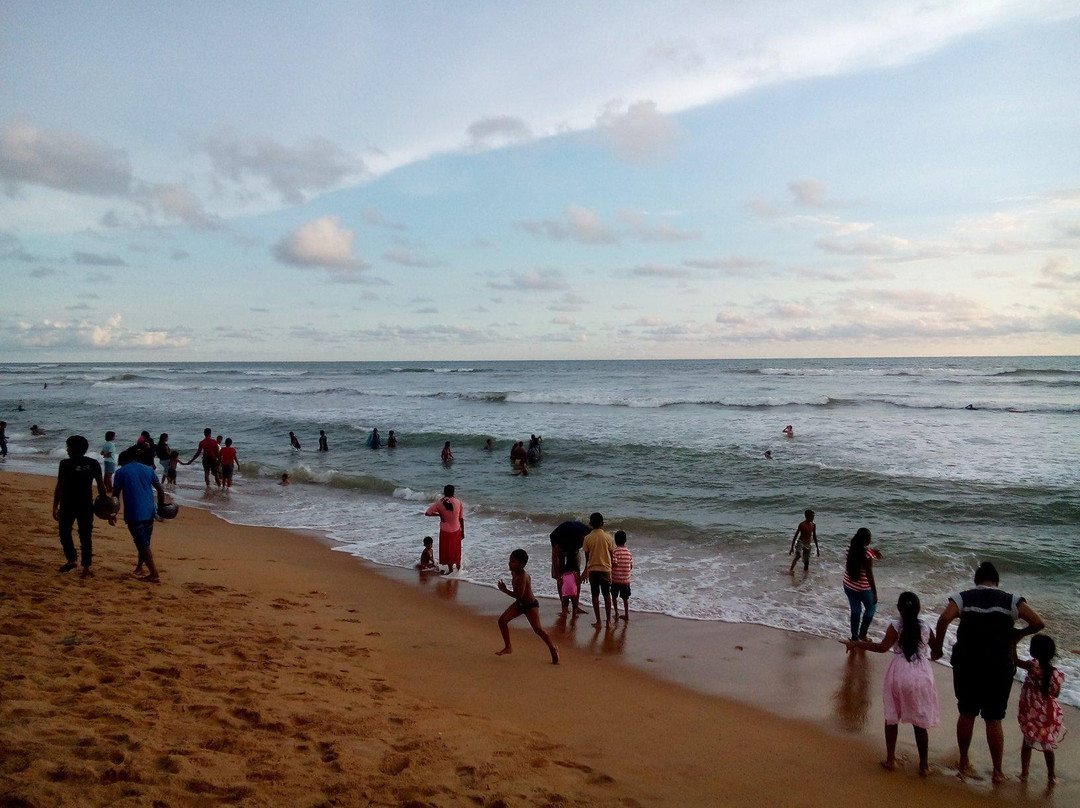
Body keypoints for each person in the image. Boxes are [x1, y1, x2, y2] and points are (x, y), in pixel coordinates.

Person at [930, 561, 1045, 783]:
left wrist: (938, 648)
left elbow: (944, 618)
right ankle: (998, 772)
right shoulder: (1011, 599)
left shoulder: (963, 597)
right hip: (999, 666)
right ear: (997, 581)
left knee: (967, 712)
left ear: (976, 581)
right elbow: (1038, 622)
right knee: (994, 718)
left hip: (967, 663)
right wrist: (1019, 633)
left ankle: (963, 761)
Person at [844, 592, 940, 776]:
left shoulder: (896, 626)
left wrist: (857, 644)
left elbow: (882, 648)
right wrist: (935, 654)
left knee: (892, 716)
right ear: (918, 608)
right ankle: (924, 765)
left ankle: (890, 760)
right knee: (920, 723)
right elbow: (937, 650)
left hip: (899, 672)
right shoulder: (926, 626)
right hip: (921, 674)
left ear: (899, 608)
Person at [111, 445, 167, 583]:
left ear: (122, 461)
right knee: (144, 542)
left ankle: (154, 574)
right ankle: (139, 567)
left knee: (142, 544)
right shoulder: (148, 469)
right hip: (149, 511)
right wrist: (160, 507)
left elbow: (115, 496)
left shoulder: (121, 472)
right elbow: (160, 491)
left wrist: (113, 513)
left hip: (134, 513)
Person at [52, 434, 106, 578]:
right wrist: (105, 504)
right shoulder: (94, 463)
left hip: (68, 504)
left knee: (64, 532)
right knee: (86, 536)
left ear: (73, 448)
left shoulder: (65, 464)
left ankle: (71, 559)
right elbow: (101, 487)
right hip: (86, 505)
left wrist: (55, 506)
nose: (67, 449)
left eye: (68, 446)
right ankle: (86, 568)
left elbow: (60, 486)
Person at [495, 549, 559, 664]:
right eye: (510, 561)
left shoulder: (523, 577)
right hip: (520, 604)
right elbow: (519, 598)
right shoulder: (514, 572)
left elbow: (519, 596)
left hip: (530, 606)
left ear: (521, 564)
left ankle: (553, 648)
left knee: (538, 630)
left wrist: (504, 590)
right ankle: (508, 646)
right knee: (502, 621)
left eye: (513, 562)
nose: (509, 564)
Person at [1017, 634, 1065, 787]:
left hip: (1032, 713)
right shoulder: (1055, 673)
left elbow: (1015, 661)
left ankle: (1024, 773)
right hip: (1047, 714)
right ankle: (1051, 776)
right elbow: (1056, 694)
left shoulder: (1032, 666)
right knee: (1047, 745)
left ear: (1034, 651)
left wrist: (1013, 641)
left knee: (1027, 741)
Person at [842, 528, 877, 641]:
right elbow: (869, 575)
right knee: (871, 609)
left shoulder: (850, 548)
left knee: (856, 611)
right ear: (866, 539)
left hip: (848, 585)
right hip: (863, 589)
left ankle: (854, 637)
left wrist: (873, 552)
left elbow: (861, 552)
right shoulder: (867, 555)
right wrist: (875, 593)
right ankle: (863, 634)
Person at [582, 512, 616, 627]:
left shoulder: (587, 538)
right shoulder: (608, 537)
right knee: (607, 595)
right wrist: (612, 567)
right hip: (605, 569)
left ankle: (598, 621)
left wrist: (586, 570)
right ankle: (609, 621)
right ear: (603, 523)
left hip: (593, 569)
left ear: (590, 524)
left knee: (595, 595)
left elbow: (587, 557)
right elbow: (612, 554)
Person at [549, 520, 589, 615]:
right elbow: (555, 555)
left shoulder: (588, 535)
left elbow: (589, 553)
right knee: (562, 578)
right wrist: (558, 574)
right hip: (561, 548)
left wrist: (586, 570)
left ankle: (576, 606)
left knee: (576, 578)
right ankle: (564, 606)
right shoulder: (557, 538)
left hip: (573, 549)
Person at [425, 484, 464, 574]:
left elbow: (427, 513)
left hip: (444, 530)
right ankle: (458, 570)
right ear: (453, 492)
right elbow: (461, 518)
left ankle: (450, 570)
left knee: (447, 550)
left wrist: (439, 514)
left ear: (444, 492)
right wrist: (463, 532)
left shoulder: (439, 502)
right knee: (456, 550)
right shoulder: (458, 502)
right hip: (456, 530)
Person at [611, 530, 634, 622]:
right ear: (625, 540)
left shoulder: (615, 552)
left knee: (614, 596)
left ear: (615, 541)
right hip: (625, 580)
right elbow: (631, 566)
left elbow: (614, 564)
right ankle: (626, 614)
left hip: (615, 579)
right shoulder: (628, 552)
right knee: (625, 598)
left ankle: (616, 612)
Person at [789, 509, 819, 573]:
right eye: (812, 516)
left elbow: (814, 536)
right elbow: (796, 535)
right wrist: (791, 547)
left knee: (806, 562)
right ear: (807, 516)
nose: (813, 518)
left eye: (813, 516)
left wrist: (817, 548)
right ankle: (791, 570)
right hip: (801, 542)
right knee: (798, 555)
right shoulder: (802, 524)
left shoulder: (813, 525)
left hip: (808, 544)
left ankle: (805, 575)